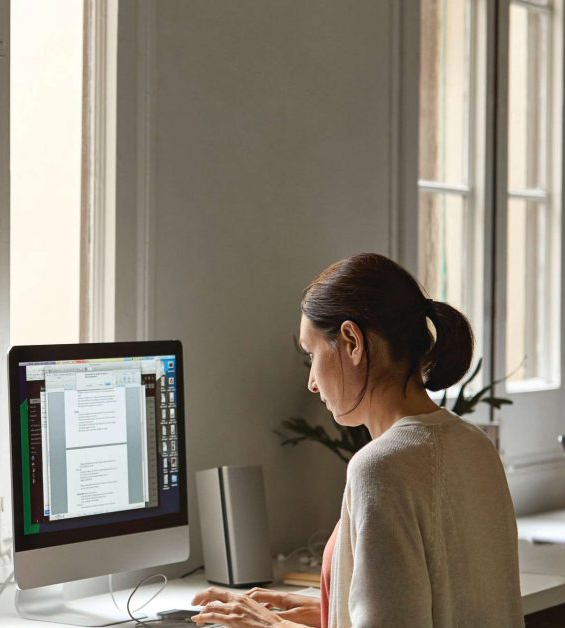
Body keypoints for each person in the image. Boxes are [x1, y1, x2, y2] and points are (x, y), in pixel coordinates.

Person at [192, 253, 523, 628]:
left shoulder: (381, 467)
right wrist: (334, 612)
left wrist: (271, 625)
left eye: (312, 354)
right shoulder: (475, 444)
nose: (312, 382)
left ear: (351, 341)